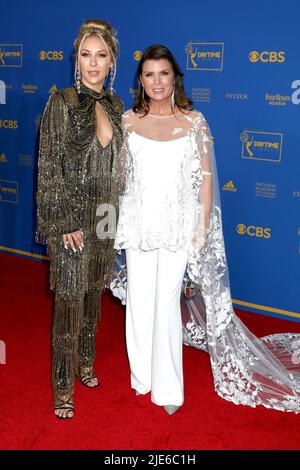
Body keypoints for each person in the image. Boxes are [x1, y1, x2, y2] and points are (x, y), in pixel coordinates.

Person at [112, 44, 300, 415]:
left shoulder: (194, 121)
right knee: (139, 299)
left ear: (175, 77)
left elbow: (206, 180)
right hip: (137, 221)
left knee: (167, 301)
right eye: (149, 75)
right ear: (141, 80)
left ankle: (168, 389)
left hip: (178, 224)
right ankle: (142, 377)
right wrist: (110, 219)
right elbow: (119, 176)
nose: (157, 82)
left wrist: (200, 227)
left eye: (163, 73)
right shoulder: (128, 121)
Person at [36, 19, 123, 419]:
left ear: (112, 62)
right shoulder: (63, 102)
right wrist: (63, 220)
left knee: (93, 297)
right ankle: (61, 387)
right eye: (85, 55)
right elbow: (50, 164)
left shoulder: (117, 106)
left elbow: (119, 165)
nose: (93, 63)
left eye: (100, 56)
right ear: (76, 61)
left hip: (105, 214)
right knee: (69, 303)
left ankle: (85, 363)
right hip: (71, 218)